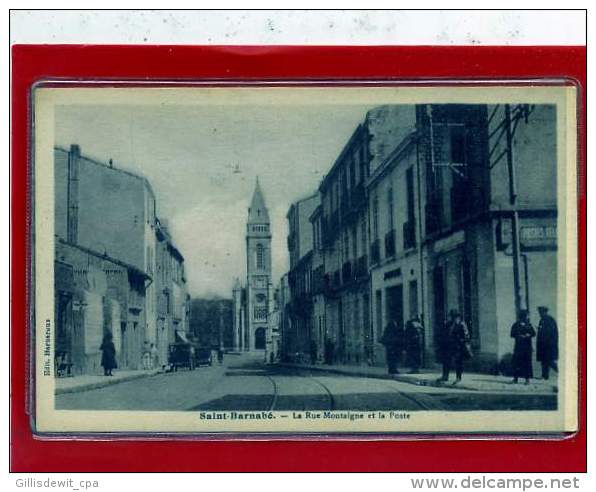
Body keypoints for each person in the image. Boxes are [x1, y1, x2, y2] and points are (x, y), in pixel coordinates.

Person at [437, 310, 471, 384]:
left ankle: (458, 378)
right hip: (449, 346)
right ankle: (445, 376)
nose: (451, 318)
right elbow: (445, 334)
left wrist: (460, 341)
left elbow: (466, 336)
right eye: (451, 316)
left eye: (453, 316)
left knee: (458, 362)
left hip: (458, 347)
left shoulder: (462, 324)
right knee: (446, 361)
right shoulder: (448, 324)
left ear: (457, 317)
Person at [510, 309, 536, 384]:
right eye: (524, 316)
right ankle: (515, 379)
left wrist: (529, 335)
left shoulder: (528, 324)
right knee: (516, 363)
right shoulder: (516, 325)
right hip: (518, 347)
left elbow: (533, 333)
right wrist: (519, 336)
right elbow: (512, 334)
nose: (526, 317)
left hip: (527, 347)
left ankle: (527, 379)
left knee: (527, 363)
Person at [536, 306, 559, 380]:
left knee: (549, 361)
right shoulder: (542, 320)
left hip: (549, 344)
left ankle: (560, 372)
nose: (540, 314)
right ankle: (544, 376)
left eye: (541, 312)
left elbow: (551, 332)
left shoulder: (550, 320)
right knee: (544, 360)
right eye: (539, 312)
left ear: (545, 312)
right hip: (543, 344)